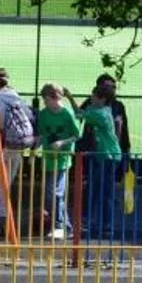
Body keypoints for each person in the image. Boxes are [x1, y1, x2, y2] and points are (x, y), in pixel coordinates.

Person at [76, 80, 126, 236]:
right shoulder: (102, 109)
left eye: (94, 96)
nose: (91, 98)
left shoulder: (101, 114)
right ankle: (95, 222)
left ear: (102, 99)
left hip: (108, 156)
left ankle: (104, 225)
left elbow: (78, 114)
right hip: (102, 155)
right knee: (96, 188)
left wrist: (70, 97)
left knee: (104, 190)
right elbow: (86, 110)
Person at [33, 82, 82, 238]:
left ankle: (59, 225)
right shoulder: (43, 114)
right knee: (50, 194)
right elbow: (41, 135)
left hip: (62, 158)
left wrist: (62, 142)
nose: (45, 103)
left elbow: (76, 135)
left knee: (56, 193)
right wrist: (34, 150)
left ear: (55, 98)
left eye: (47, 99)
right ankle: (66, 227)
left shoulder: (67, 114)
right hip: (48, 158)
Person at [0, 69, 37, 228]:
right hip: (20, 144)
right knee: (5, 182)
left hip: (5, 145)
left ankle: (1, 219)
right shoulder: (16, 97)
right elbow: (30, 116)